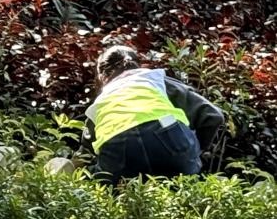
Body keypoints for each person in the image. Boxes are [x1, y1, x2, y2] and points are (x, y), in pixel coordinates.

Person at [81, 45, 225, 185]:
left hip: (116, 147)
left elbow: (87, 147)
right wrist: (195, 151)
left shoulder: (101, 100)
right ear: (138, 65)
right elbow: (213, 116)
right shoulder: (154, 81)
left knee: (104, 184)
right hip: (168, 135)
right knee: (182, 185)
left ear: (102, 75)